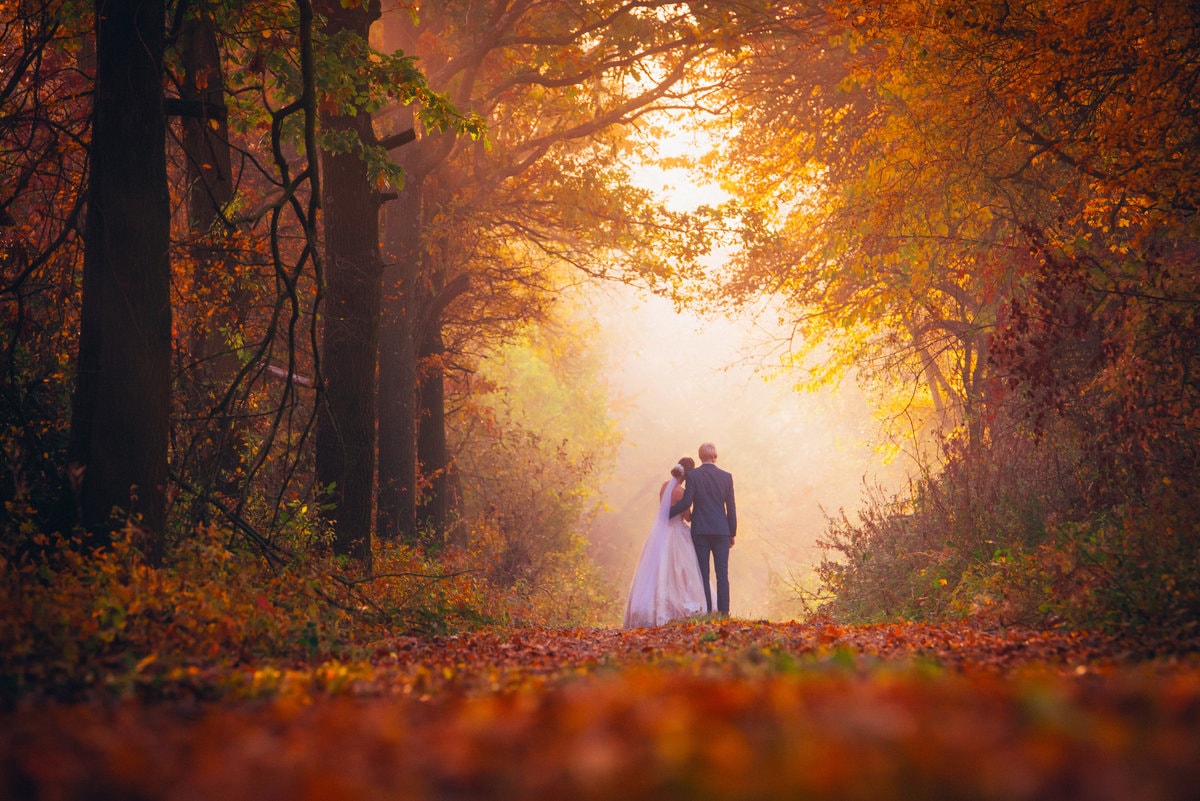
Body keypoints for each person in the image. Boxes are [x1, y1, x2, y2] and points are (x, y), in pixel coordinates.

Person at [623, 458, 708, 628]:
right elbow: (687, 517)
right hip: (677, 533)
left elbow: (663, 509)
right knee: (681, 570)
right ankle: (678, 612)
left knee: (656, 570)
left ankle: (650, 611)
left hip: (661, 533)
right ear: (688, 474)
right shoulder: (683, 493)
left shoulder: (664, 487)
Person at [670, 442, 736, 615]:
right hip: (722, 531)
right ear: (715, 456)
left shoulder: (694, 476)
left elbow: (686, 503)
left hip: (701, 531)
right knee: (722, 574)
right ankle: (724, 613)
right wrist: (732, 532)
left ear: (700, 457)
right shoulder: (726, 477)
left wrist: (667, 513)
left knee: (703, 574)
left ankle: (707, 611)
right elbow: (731, 508)